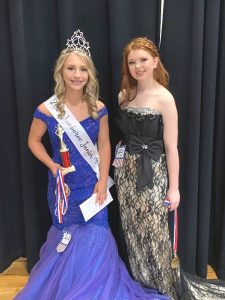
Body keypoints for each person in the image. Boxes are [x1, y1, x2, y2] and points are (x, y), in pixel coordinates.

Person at [14, 30, 169, 300]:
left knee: (96, 236)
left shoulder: (99, 108)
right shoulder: (47, 109)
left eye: (82, 69)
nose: (76, 74)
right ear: (61, 72)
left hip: (93, 185)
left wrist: (101, 179)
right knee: (67, 236)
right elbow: (33, 141)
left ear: (90, 74)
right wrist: (51, 165)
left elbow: (105, 145)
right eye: (71, 68)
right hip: (63, 187)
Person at [114, 37, 225, 300]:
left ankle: (164, 289)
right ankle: (141, 285)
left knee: (155, 233)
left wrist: (174, 188)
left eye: (143, 60)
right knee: (132, 231)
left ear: (155, 62)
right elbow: (125, 137)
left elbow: (171, 147)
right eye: (132, 62)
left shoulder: (165, 98)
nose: (137, 66)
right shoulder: (124, 95)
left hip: (152, 172)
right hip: (125, 174)